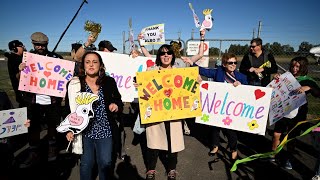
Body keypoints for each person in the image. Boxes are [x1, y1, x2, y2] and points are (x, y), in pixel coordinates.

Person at [65, 51, 123, 180]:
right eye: (87, 62)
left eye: (95, 62)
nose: (91, 65)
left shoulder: (109, 81)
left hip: (105, 130)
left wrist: (116, 105)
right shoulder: (75, 84)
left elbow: (118, 100)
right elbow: (68, 109)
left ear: (100, 65)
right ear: (83, 65)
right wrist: (69, 128)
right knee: (86, 164)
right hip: (84, 132)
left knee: (106, 163)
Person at [183, 53, 248, 161]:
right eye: (230, 62)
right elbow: (203, 71)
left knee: (230, 130)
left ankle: (233, 149)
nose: (233, 65)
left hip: (232, 108)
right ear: (224, 64)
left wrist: (241, 86)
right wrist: (191, 63)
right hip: (217, 106)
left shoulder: (241, 76)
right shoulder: (218, 72)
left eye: (235, 62)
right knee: (214, 128)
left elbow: (248, 90)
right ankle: (215, 146)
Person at [137, 44, 185, 180]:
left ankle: (171, 169)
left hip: (174, 113)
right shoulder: (152, 70)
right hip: (156, 112)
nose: (166, 56)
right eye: (162, 53)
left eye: (168, 53)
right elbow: (142, 85)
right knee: (153, 143)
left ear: (172, 55)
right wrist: (139, 84)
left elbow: (191, 82)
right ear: (158, 56)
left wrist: (197, 80)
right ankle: (151, 169)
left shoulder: (179, 70)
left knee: (173, 143)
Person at [18, 32, 64, 168]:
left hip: (52, 100)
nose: (40, 47)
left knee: (52, 125)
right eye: (37, 45)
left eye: (43, 45)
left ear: (46, 45)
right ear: (33, 44)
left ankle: (52, 148)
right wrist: (20, 70)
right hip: (32, 100)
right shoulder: (27, 58)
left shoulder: (56, 58)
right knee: (33, 127)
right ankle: (33, 152)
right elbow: (18, 78)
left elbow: (64, 76)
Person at [270, 57, 320, 170]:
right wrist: (276, 79)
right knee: (276, 134)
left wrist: (310, 87)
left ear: (303, 67)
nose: (294, 68)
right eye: (293, 66)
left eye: (298, 66)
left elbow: (318, 93)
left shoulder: (308, 80)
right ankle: (272, 154)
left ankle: (289, 159)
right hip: (283, 111)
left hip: (298, 114)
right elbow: (275, 88)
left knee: (291, 137)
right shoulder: (286, 77)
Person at [4, 40, 26, 107]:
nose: (23, 48)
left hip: (19, 91)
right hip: (22, 92)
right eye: (21, 46)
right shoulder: (17, 59)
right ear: (15, 48)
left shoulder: (12, 57)